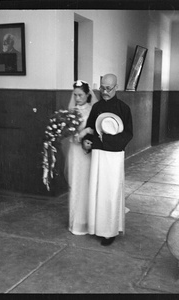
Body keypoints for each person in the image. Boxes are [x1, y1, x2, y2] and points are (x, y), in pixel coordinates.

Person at [82, 73, 133, 246]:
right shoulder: (96, 108)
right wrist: (86, 141)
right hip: (98, 154)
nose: (104, 91)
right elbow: (90, 128)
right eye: (102, 87)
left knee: (111, 192)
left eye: (108, 88)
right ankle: (97, 227)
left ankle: (110, 231)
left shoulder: (124, 108)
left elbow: (128, 134)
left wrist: (107, 140)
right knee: (98, 190)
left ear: (116, 87)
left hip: (114, 155)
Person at [65, 80, 98, 235]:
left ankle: (88, 221)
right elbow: (68, 133)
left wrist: (85, 133)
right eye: (75, 95)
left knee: (87, 182)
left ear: (87, 95)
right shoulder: (71, 111)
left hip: (86, 151)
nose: (77, 98)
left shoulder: (92, 110)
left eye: (80, 95)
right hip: (74, 151)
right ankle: (76, 222)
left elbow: (95, 129)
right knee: (76, 182)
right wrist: (74, 136)